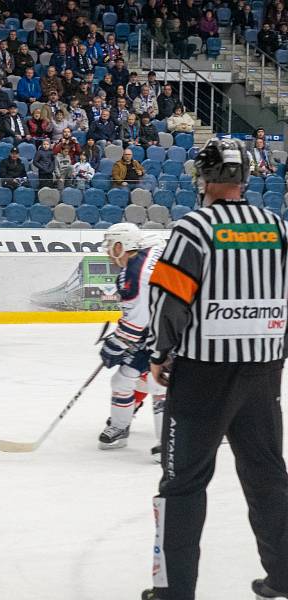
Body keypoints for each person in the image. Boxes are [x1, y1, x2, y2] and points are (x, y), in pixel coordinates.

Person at [142, 137, 288, 600]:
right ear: (246, 178)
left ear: (202, 180)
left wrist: (160, 352)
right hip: (264, 370)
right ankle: (285, 575)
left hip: (203, 373)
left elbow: (169, 299)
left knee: (182, 482)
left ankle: (173, 592)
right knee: (267, 474)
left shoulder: (194, 228)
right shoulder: (277, 226)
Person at [95, 223, 165, 455]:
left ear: (120, 245)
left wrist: (117, 344)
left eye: (110, 245)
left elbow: (136, 321)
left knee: (158, 382)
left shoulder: (133, 274)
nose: (107, 251)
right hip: (157, 326)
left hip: (175, 329)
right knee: (122, 380)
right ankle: (119, 427)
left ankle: (169, 442)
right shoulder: (149, 250)